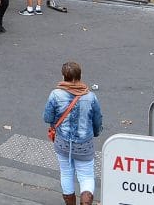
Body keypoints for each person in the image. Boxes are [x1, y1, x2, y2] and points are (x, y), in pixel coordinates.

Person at [43, 62, 103, 205]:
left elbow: (47, 118)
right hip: (84, 145)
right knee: (86, 176)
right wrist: (94, 133)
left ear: (64, 76)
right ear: (80, 76)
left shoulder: (55, 94)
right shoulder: (90, 97)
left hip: (62, 143)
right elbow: (97, 120)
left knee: (66, 172)